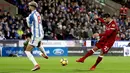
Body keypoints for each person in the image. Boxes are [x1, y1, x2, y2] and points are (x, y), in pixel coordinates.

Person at [25, 1, 48, 71]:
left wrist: (27, 20)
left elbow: (29, 25)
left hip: (36, 34)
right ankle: (45, 54)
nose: (29, 7)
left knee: (27, 51)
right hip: (41, 33)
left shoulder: (31, 15)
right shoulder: (38, 14)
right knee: (38, 45)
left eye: (29, 6)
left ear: (32, 7)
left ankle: (36, 65)